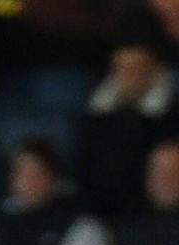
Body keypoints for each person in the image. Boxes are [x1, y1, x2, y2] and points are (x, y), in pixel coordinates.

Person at [76, 36, 179, 221]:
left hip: (157, 218)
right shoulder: (95, 116)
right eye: (123, 69)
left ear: (152, 70)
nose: (129, 76)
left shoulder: (171, 118)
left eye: (137, 68)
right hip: (102, 215)